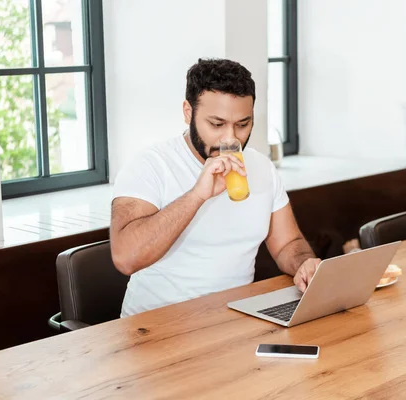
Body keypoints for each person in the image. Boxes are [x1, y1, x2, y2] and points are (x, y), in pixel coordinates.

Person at [110, 58, 320, 317]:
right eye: (217, 124)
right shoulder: (149, 166)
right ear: (188, 112)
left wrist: (304, 264)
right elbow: (125, 257)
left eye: (242, 124)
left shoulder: (261, 168)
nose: (231, 139)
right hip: (156, 329)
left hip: (234, 321)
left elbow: (289, 243)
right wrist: (198, 195)